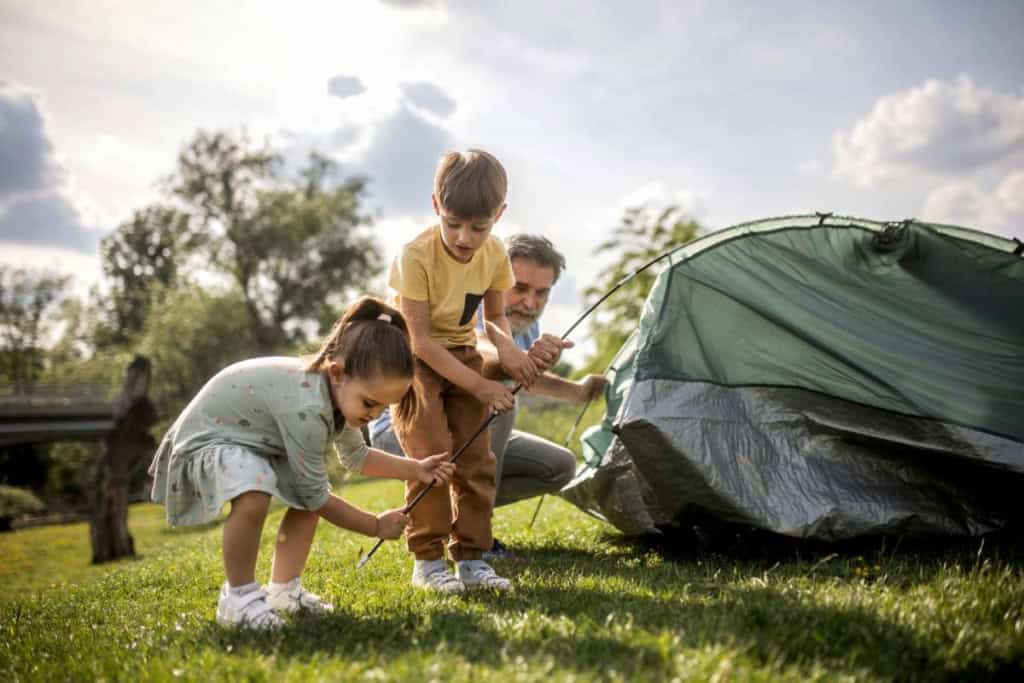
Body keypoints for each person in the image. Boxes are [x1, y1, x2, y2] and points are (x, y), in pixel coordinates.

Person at [148, 297, 455, 629]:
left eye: (384, 408)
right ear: (337, 373)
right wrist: (375, 526)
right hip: (208, 439)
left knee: (303, 503)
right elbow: (317, 495)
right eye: (370, 403)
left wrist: (416, 468)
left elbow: (356, 456)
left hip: (249, 441)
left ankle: (284, 591)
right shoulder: (307, 407)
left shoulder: (336, 393)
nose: (373, 415)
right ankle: (239, 599)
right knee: (255, 495)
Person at [371, 234, 606, 558]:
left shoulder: (527, 326)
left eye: (541, 293)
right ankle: (473, 536)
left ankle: (450, 513)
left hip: (465, 424)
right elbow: (481, 354)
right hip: (401, 426)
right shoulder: (470, 304)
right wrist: (515, 360)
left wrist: (577, 391)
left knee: (560, 466)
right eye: (520, 288)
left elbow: (517, 372)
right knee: (499, 402)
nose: (530, 303)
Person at [388, 149, 559, 593]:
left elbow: (494, 318)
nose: (465, 237)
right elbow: (421, 341)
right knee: (431, 460)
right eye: (453, 224)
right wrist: (482, 386)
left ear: (498, 215)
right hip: (414, 362)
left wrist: (511, 353)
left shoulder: (495, 253)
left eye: (479, 227)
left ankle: (471, 559)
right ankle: (428, 562)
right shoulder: (415, 256)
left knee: (478, 461)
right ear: (436, 206)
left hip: (462, 352)